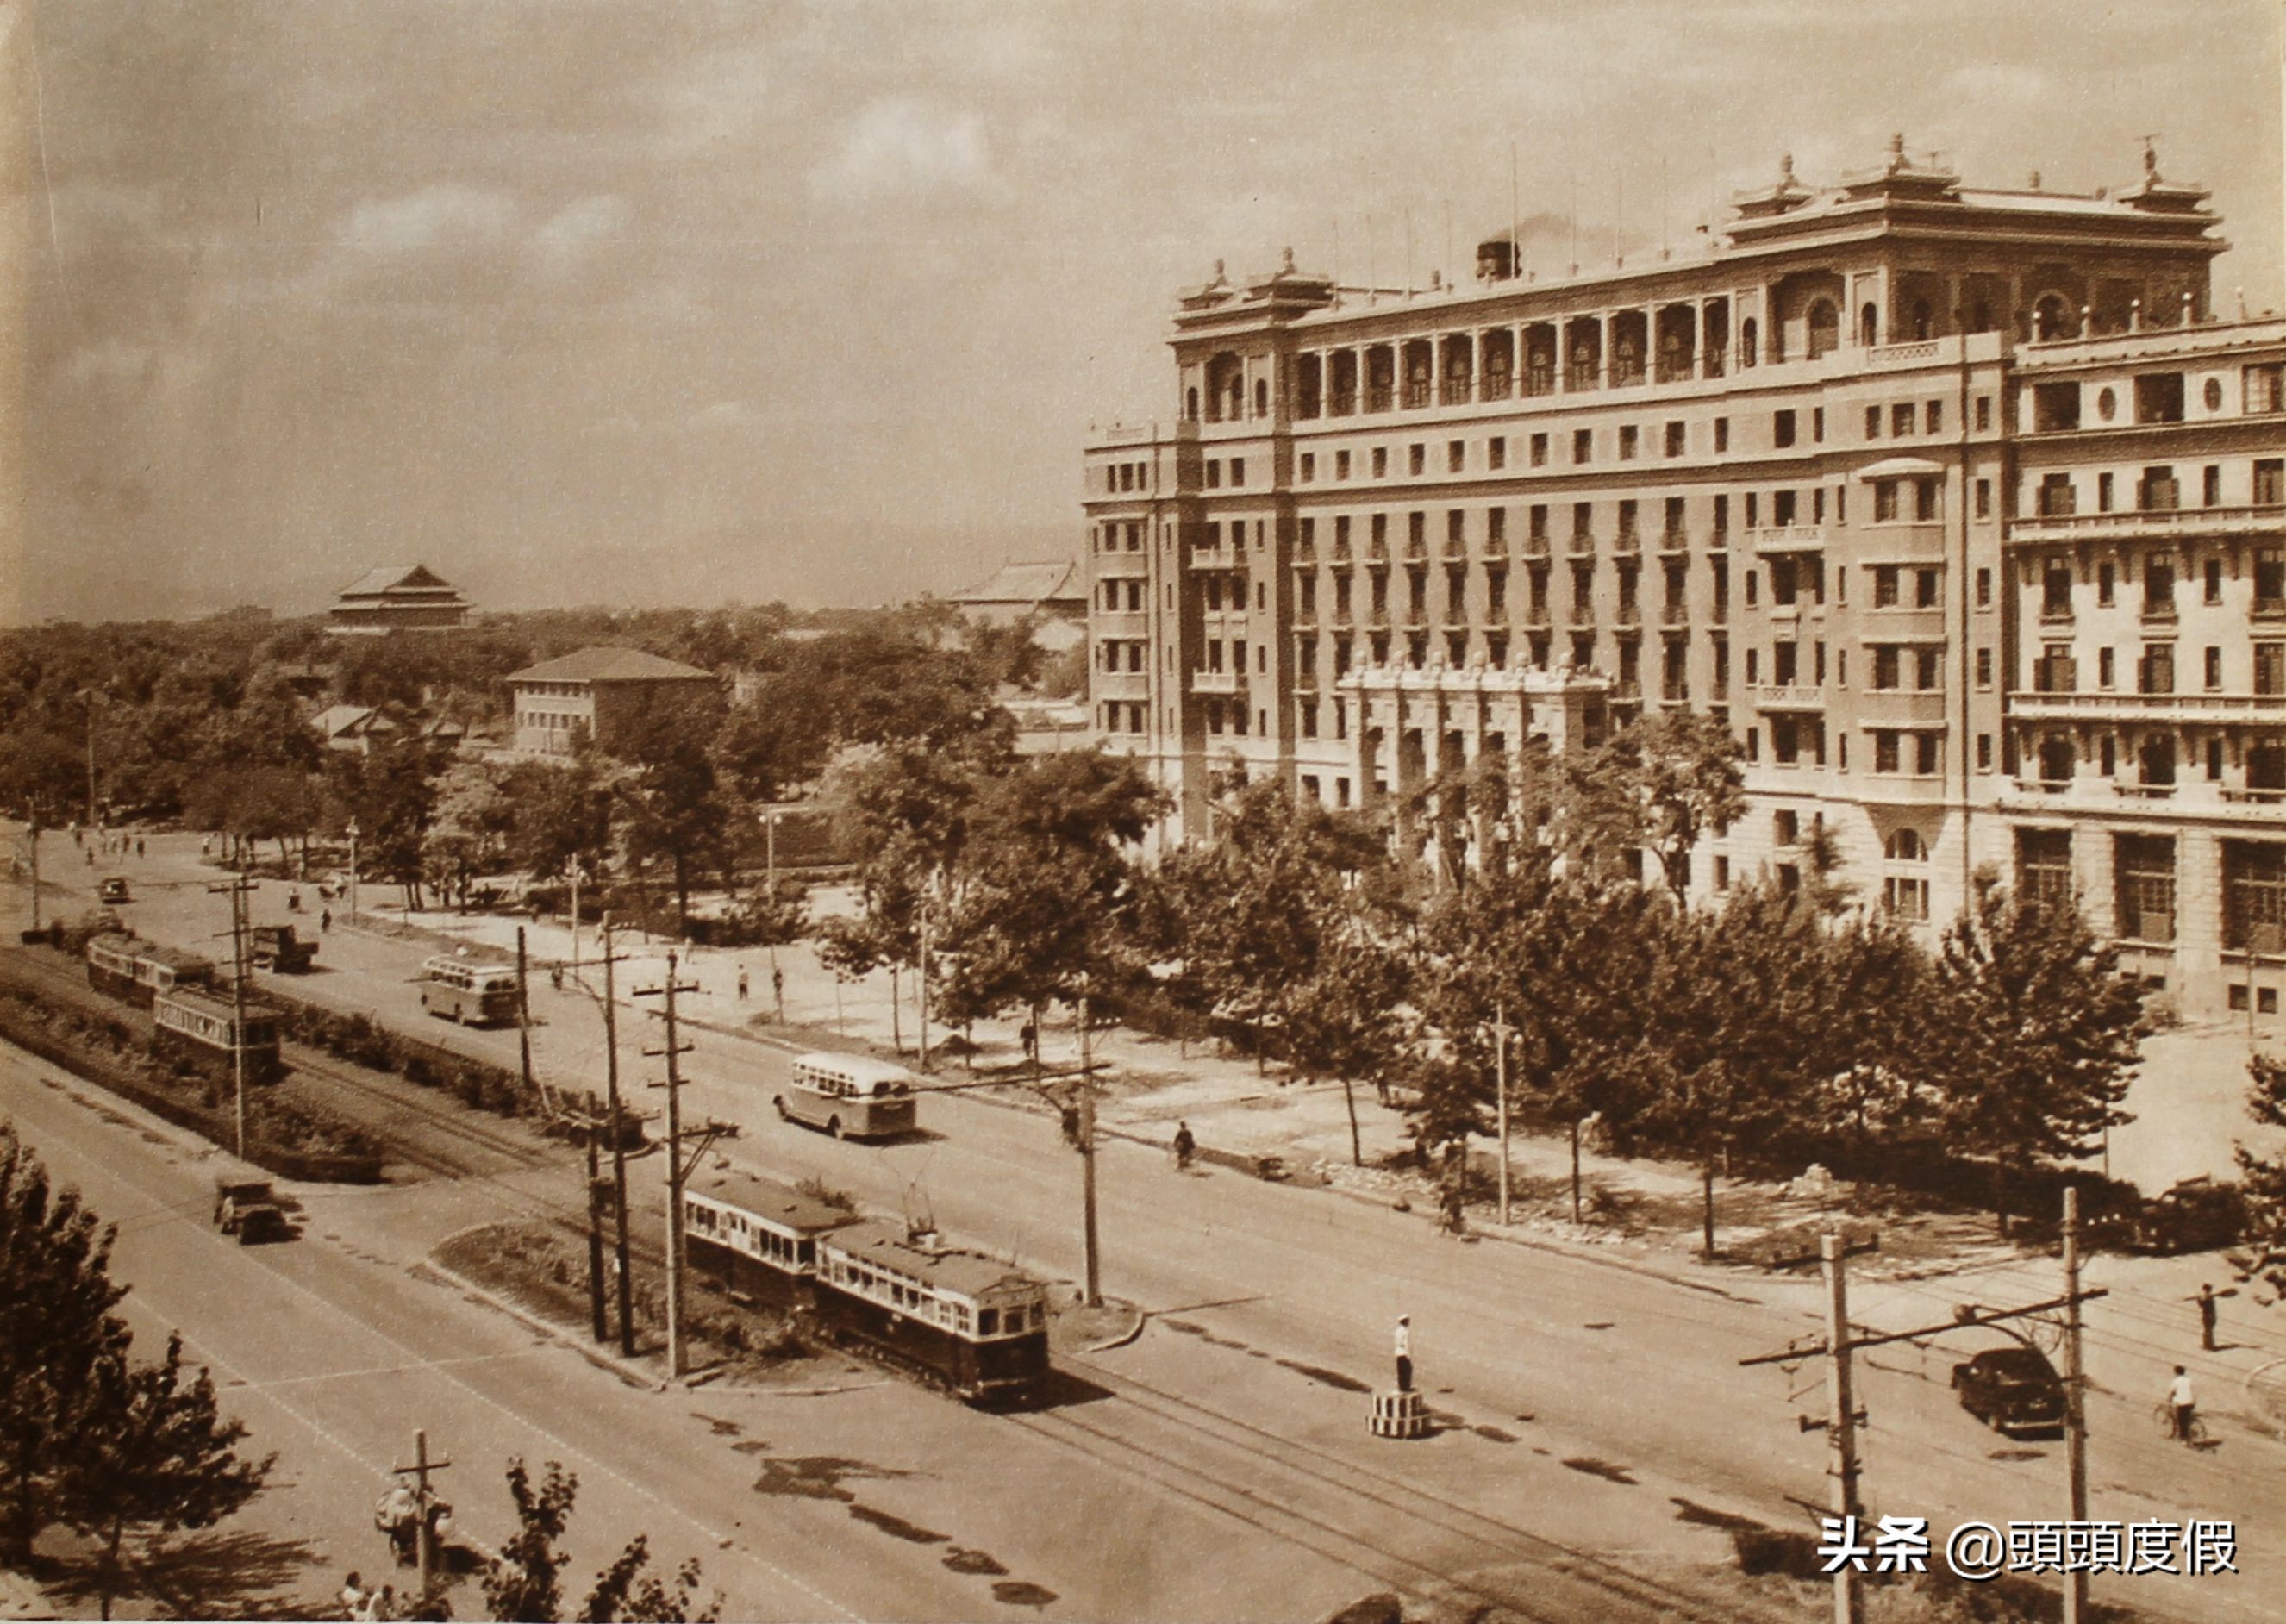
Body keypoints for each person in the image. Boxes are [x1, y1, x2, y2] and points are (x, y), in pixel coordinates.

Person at [2169, 1365, 2197, 1442]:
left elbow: (2172, 1392)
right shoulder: (2189, 1380)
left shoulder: (2176, 1381)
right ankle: (2186, 1433)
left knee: (2181, 1421)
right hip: (2191, 1402)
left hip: (2182, 1403)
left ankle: (2184, 1439)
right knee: (2186, 1418)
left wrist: (2169, 1400)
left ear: (2176, 1372)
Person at [1393, 1315, 1413, 1392]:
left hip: (1398, 1351)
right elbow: (1406, 1343)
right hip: (1404, 1352)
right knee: (1407, 1370)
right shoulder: (1405, 1331)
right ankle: (1406, 1387)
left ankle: (1401, 1386)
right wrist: (1409, 1354)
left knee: (1400, 1370)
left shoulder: (1397, 1330)